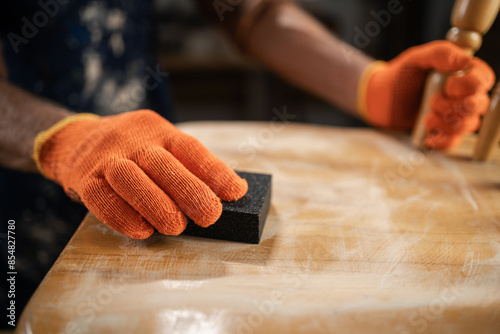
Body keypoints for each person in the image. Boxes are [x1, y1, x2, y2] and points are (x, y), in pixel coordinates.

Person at [0, 0, 495, 320]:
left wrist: (369, 86)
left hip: (152, 172)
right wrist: (63, 139)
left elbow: (249, 13)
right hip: (15, 215)